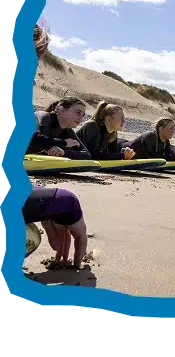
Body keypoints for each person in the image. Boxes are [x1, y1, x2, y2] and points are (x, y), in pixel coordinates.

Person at [25, 22, 89, 269]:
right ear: (60, 108)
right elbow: (33, 140)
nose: (81, 118)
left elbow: (85, 153)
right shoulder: (40, 118)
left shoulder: (70, 130)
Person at [23, 187, 88, 269]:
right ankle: (77, 263)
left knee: (74, 239)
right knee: (56, 245)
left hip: (66, 205)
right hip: (54, 201)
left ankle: (77, 263)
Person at [27, 97, 92, 160]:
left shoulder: (67, 130)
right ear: (62, 110)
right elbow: (34, 139)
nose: (80, 118)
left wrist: (63, 152)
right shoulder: (42, 117)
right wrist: (64, 143)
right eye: (78, 113)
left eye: (83, 115)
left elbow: (86, 155)